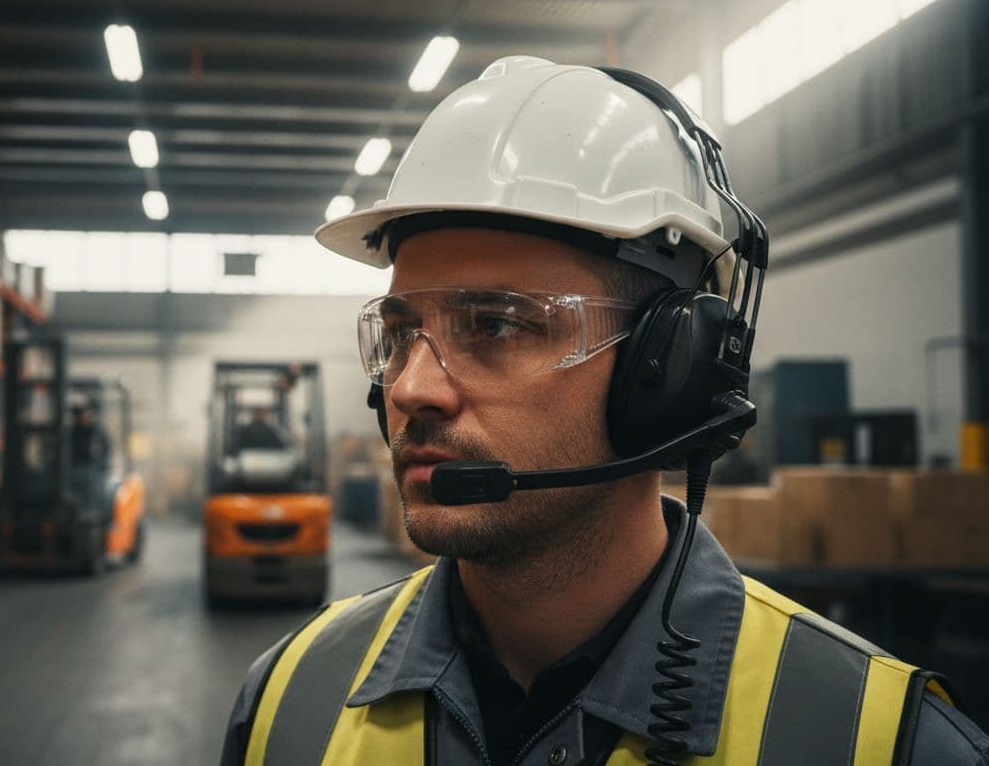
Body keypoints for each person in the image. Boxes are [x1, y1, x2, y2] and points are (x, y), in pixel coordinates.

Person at [220, 57, 989, 765]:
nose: (411, 388)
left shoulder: (877, 740)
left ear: (669, 372)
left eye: (495, 325)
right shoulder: (289, 702)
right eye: (398, 333)